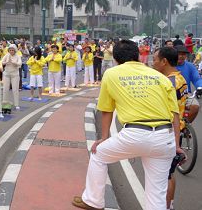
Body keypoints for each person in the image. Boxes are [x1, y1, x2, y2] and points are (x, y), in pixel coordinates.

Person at [72, 40, 180, 210]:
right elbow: (174, 114)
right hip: (164, 138)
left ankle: (93, 200)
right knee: (156, 195)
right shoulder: (160, 77)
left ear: (115, 58)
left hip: (135, 134)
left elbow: (106, 109)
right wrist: (176, 144)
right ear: (138, 55)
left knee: (98, 154)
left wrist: (103, 138)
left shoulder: (112, 74)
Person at [151, 47, 188, 210]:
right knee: (168, 174)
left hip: (169, 132)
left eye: (155, 60)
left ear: (164, 61)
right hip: (175, 131)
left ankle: (166, 206)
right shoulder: (178, 78)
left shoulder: (170, 82)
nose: (153, 63)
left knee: (164, 176)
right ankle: (168, 205)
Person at [175, 45, 202, 123]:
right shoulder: (168, 65)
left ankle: (186, 126)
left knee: (195, 106)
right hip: (169, 95)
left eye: (183, 54)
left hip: (186, 94)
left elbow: (197, 78)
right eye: (178, 54)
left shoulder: (190, 66)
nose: (181, 56)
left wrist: (200, 86)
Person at [2, 44, 22, 110]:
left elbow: (20, 63)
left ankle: (16, 104)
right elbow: (1, 62)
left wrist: (14, 63)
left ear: (15, 50)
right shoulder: (7, 55)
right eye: (10, 50)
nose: (11, 51)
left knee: (15, 90)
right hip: (6, 74)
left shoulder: (18, 56)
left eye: (12, 50)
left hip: (15, 74)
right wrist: (6, 62)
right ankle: (5, 103)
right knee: (5, 89)